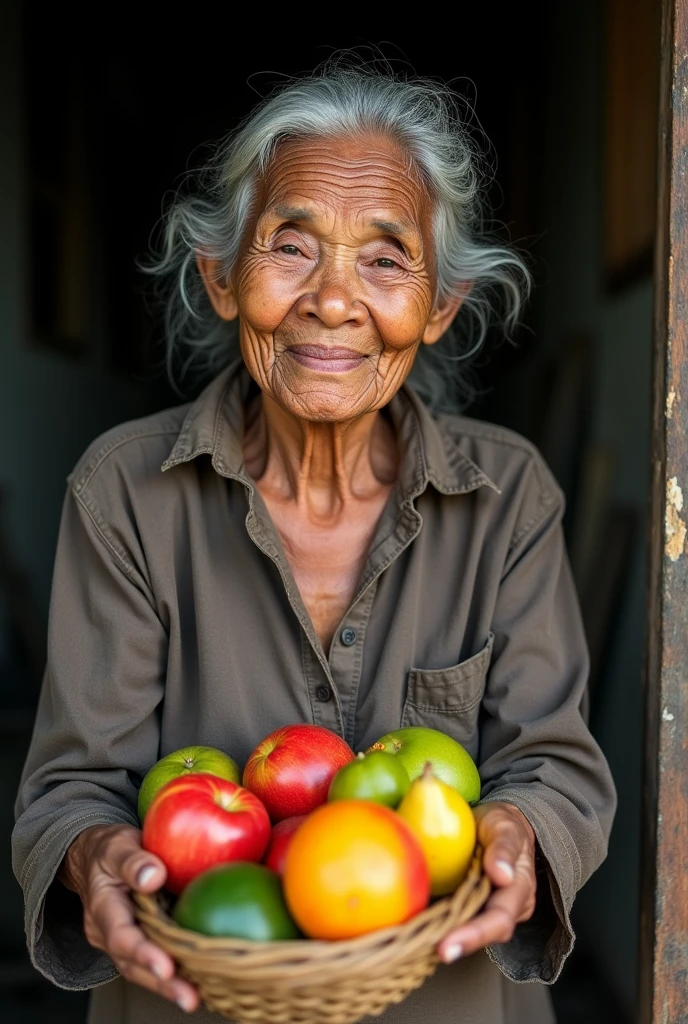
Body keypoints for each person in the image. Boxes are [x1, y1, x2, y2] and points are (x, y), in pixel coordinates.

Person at [12, 62, 616, 1024]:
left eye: (385, 260)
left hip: (444, 1001)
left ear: (442, 307)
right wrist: (98, 856)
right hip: (194, 997)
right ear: (220, 278)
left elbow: (554, 764)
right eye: (290, 246)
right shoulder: (124, 492)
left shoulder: (510, 498)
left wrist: (517, 832)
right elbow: (73, 787)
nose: (333, 301)